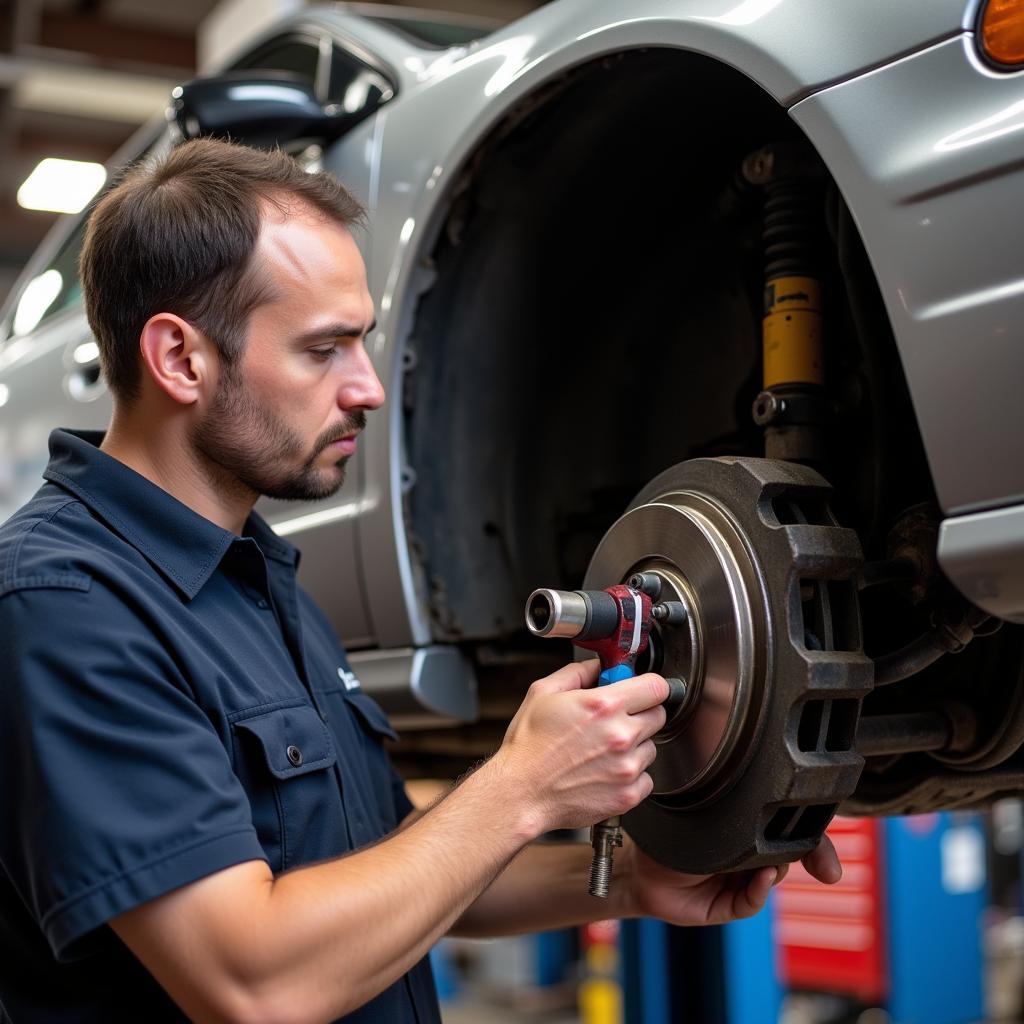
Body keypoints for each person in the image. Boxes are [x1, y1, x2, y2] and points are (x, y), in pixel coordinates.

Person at [0, 138, 840, 1023]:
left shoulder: (256, 573)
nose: (368, 387)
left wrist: (632, 878)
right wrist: (524, 783)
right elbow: (252, 980)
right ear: (179, 358)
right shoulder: (66, 606)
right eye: (325, 349)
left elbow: (402, 859)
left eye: (363, 343)